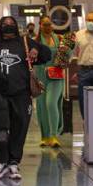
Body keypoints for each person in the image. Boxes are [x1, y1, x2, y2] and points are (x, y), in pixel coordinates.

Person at [0, 16, 51, 180]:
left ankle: (13, 162)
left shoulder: (25, 42)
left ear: (16, 27)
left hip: (21, 93)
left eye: (11, 24)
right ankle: (1, 161)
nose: (8, 27)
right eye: (5, 24)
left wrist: (37, 51)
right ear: (0, 27)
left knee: (20, 127)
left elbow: (47, 54)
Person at [34, 16, 67, 148]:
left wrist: (66, 54)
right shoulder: (35, 41)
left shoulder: (59, 39)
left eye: (49, 24)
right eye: (45, 24)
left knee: (51, 103)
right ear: (40, 25)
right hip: (41, 76)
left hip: (56, 76)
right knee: (42, 107)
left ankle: (54, 135)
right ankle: (45, 136)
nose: (48, 27)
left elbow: (66, 56)